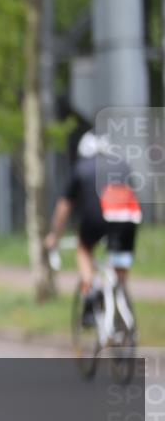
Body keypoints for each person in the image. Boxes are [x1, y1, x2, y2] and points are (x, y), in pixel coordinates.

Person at [45, 131, 141, 326]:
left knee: (83, 248)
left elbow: (64, 207)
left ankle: (90, 290)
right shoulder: (122, 164)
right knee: (120, 274)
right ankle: (120, 308)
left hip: (97, 218)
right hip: (128, 219)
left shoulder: (81, 167)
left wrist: (55, 235)